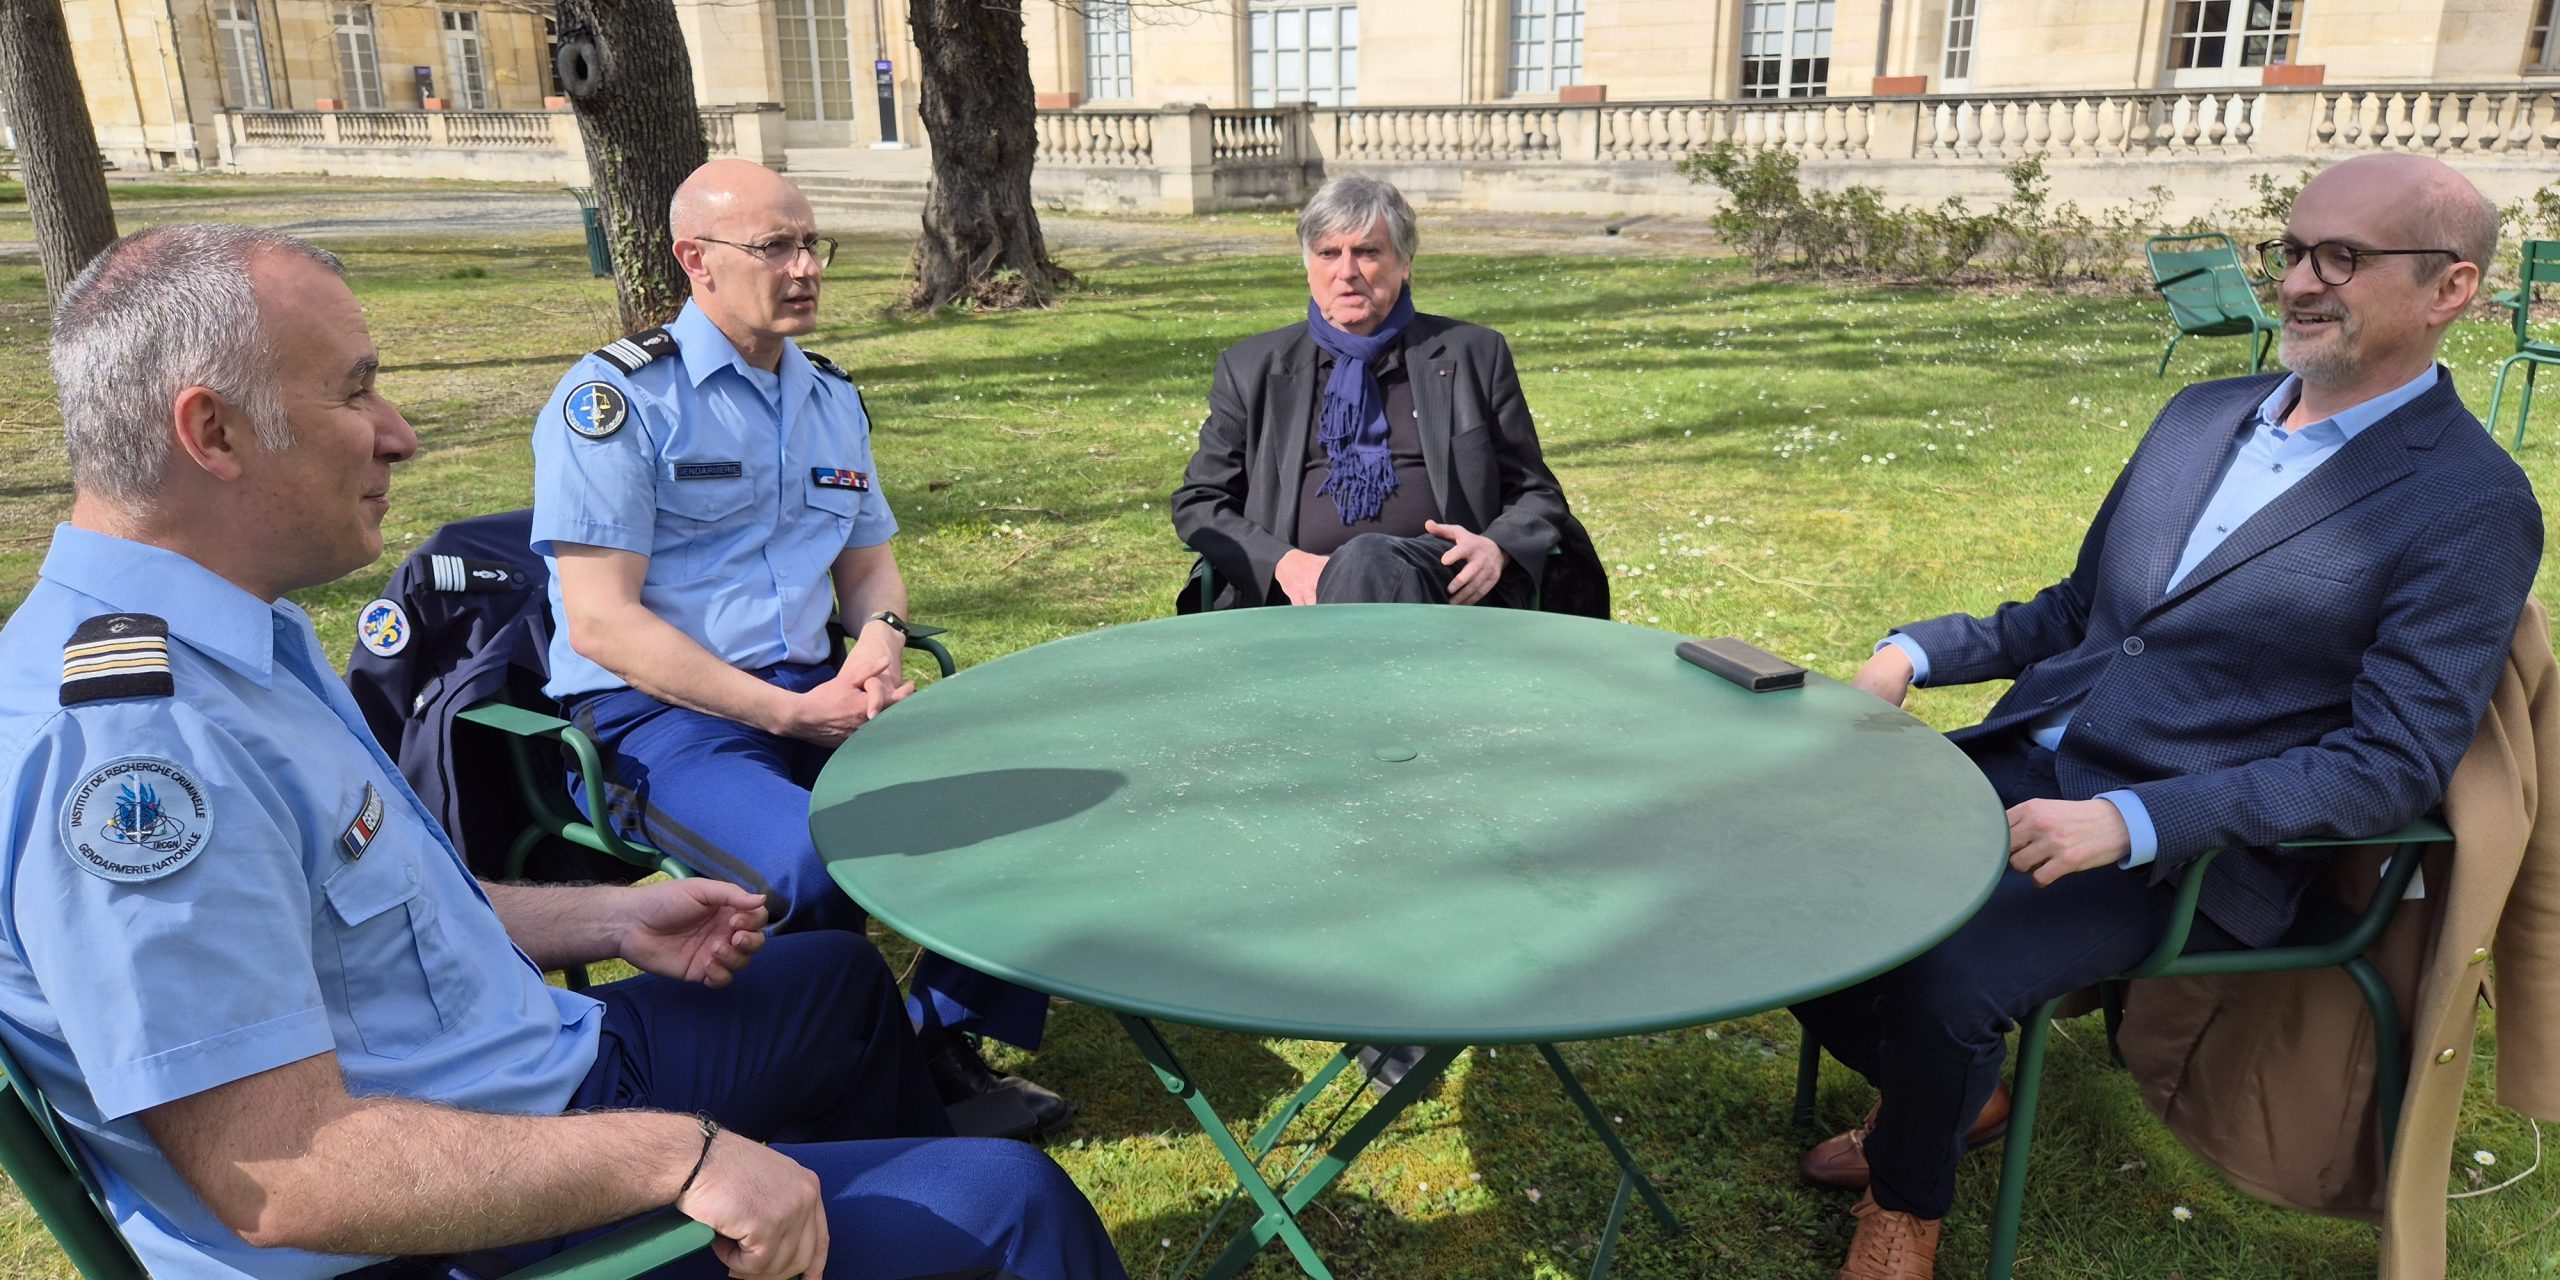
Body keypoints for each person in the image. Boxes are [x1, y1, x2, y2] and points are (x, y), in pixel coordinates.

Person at [0, 222, 1127, 1280]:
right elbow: (279, 1176)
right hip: (437, 1218)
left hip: (513, 1072)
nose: (400, 431)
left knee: (831, 977)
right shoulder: (136, 748)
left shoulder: (233, 633)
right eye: (355, 390)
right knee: (1005, 1199)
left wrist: (606, 918)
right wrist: (678, 1158)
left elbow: (352, 917)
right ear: (214, 433)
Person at [1790, 153, 2543, 1280]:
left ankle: (1907, 1209)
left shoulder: (2471, 503)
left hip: (2183, 847)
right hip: (2023, 760)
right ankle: (1951, 1095)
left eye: (2341, 256)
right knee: (1788, 877)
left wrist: (2134, 818)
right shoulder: (2202, 414)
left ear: (2452, 289)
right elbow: (2082, 610)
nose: (2297, 279)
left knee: (1944, 974)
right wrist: (1920, 647)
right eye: (2290, 248)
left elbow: (2389, 762)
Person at [530, 159, 1068, 1136]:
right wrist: (785, 710)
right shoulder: (617, 402)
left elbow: (869, 569)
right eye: (775, 246)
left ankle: (926, 1039)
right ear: (695, 261)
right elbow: (602, 620)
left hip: (813, 696)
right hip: (659, 722)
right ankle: (839, 1099)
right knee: (813, 864)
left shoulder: (828, 396)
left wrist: (878, 641)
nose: (807, 265)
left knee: (1030, 799)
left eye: (812, 242)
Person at [1170, 174, 1600, 615]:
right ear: (1308, 266)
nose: (1346, 272)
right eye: (1328, 253)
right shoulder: (1253, 367)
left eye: (1367, 252)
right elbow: (1200, 502)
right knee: (1362, 562)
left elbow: (1536, 492)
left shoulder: (1472, 354)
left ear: (1405, 262)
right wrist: (1283, 561)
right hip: (1292, 596)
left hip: (1444, 585)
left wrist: (1496, 546)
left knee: (1368, 557)